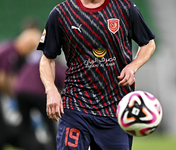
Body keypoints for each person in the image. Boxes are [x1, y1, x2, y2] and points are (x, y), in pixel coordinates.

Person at [37, 0, 156, 150]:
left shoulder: (125, 7)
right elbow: (47, 59)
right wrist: (51, 90)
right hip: (76, 106)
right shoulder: (61, 13)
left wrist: (133, 66)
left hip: (115, 110)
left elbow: (148, 44)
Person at [0, 19, 41, 149]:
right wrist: (12, 94)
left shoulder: (18, 57)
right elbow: (2, 79)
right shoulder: (9, 51)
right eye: (30, 48)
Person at [13, 50, 66, 150]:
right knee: (50, 124)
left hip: (20, 91)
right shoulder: (54, 66)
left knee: (25, 126)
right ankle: (55, 147)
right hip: (38, 93)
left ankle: (29, 147)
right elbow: (65, 82)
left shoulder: (35, 62)